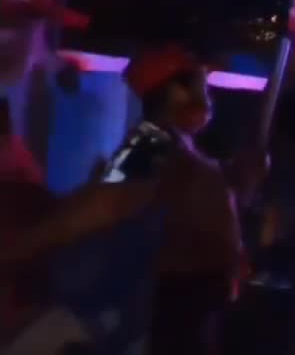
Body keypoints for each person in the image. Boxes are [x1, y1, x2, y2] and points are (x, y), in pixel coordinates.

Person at [0, 44, 268, 354]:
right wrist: (15, 251)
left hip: (192, 314)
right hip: (160, 315)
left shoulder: (181, 150)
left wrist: (244, 184)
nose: (207, 94)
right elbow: (101, 205)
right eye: (198, 83)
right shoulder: (151, 143)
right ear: (173, 91)